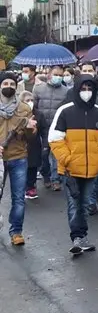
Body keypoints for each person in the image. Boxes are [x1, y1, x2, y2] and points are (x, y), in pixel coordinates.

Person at [48, 75, 98, 255]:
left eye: (90, 89)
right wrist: (67, 159)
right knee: (74, 204)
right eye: (83, 89)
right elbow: (55, 139)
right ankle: (77, 237)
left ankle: (81, 236)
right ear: (76, 89)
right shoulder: (65, 111)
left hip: (92, 170)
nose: (86, 92)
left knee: (84, 204)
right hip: (70, 170)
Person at [0, 74, 37, 246]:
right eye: (5, 83)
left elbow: (31, 136)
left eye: (12, 84)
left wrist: (30, 128)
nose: (9, 86)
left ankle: (16, 231)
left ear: (16, 87)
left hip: (18, 156)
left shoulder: (24, 108)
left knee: (18, 198)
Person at [33, 65, 69, 192]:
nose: (58, 77)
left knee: (56, 155)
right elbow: (33, 107)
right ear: (49, 75)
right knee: (43, 154)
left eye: (60, 75)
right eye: (55, 74)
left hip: (57, 127)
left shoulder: (66, 91)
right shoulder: (38, 89)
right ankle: (46, 175)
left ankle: (55, 180)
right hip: (42, 128)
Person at [20, 91, 45, 200]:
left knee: (33, 167)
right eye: (27, 100)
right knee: (21, 168)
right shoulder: (17, 114)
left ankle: (31, 187)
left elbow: (44, 130)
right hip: (20, 145)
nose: (30, 102)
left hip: (34, 145)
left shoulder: (39, 114)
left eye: (32, 100)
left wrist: (45, 144)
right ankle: (21, 187)